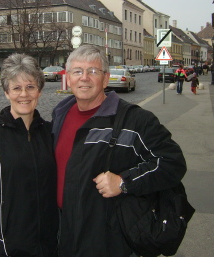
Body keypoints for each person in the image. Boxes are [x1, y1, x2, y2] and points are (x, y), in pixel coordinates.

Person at [52, 45, 186, 257]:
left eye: (93, 71)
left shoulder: (135, 120)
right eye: (77, 71)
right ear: (68, 78)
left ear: (105, 79)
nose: (84, 78)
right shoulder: (60, 115)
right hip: (63, 234)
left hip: (109, 241)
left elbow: (171, 162)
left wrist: (124, 182)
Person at [0, 53, 59, 257]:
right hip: (8, 247)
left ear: (39, 91)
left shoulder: (51, 133)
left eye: (30, 87)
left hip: (50, 246)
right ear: (7, 92)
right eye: (16, 88)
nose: (23, 94)